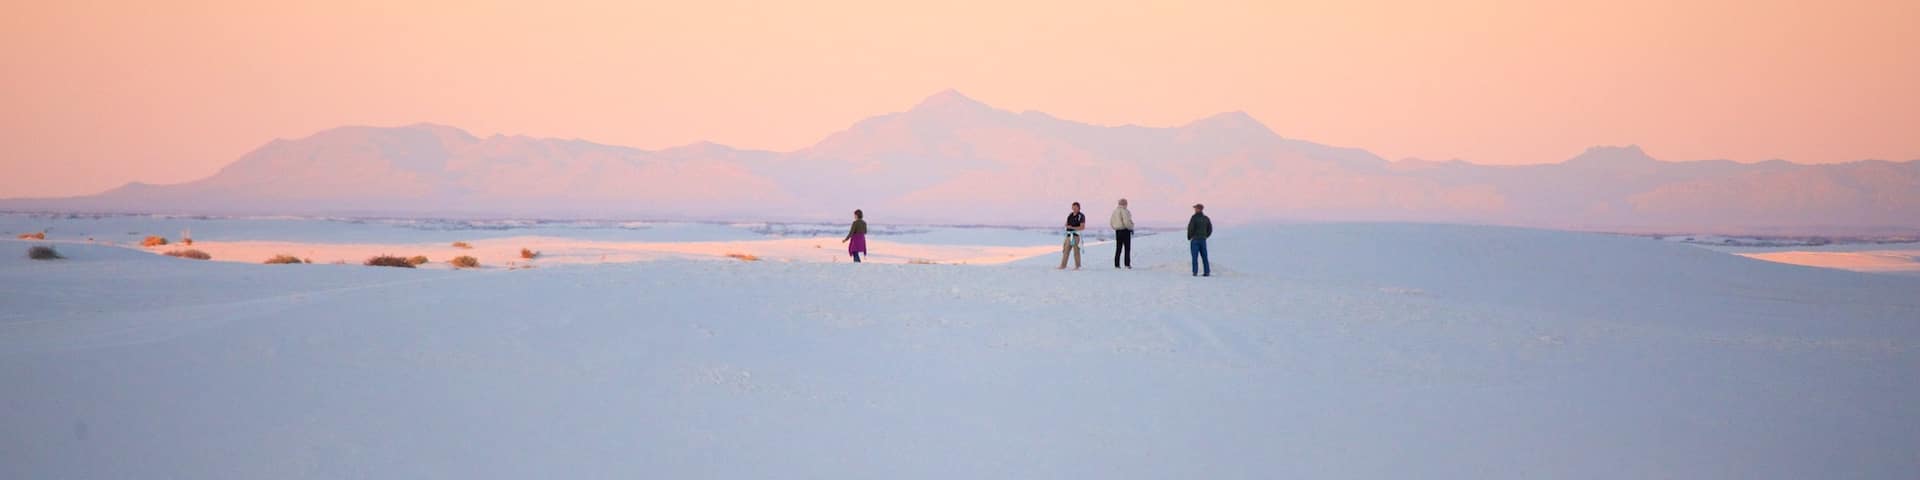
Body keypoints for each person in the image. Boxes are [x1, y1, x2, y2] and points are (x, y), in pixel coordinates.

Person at [1058, 202, 1086, 270]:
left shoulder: (1081, 216)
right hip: (1069, 236)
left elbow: (1082, 227)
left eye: (1075, 207)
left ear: (1079, 207)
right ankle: (1063, 266)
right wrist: (1068, 226)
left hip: (1076, 236)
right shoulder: (1070, 215)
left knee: (1076, 251)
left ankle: (1078, 266)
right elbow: (1066, 224)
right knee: (1065, 251)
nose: (1074, 208)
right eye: (1073, 207)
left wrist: (1072, 227)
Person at [1187, 203, 1212, 277]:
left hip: (1195, 240)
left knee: (1195, 257)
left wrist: (1189, 237)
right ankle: (1207, 272)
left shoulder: (1194, 218)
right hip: (1203, 240)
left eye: (1195, 208)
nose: (1194, 209)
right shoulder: (1206, 218)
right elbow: (1210, 229)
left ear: (1199, 209)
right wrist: (1205, 236)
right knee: (1204, 256)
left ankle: (1195, 272)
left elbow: (1190, 228)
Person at [1110, 198, 1134, 269]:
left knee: (1118, 248)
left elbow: (1111, 222)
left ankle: (1116, 265)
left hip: (1118, 231)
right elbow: (1126, 221)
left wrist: (1115, 228)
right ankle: (1127, 264)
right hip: (1125, 231)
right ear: (1125, 204)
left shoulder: (1115, 211)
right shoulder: (1125, 211)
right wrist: (1131, 227)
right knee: (1127, 248)